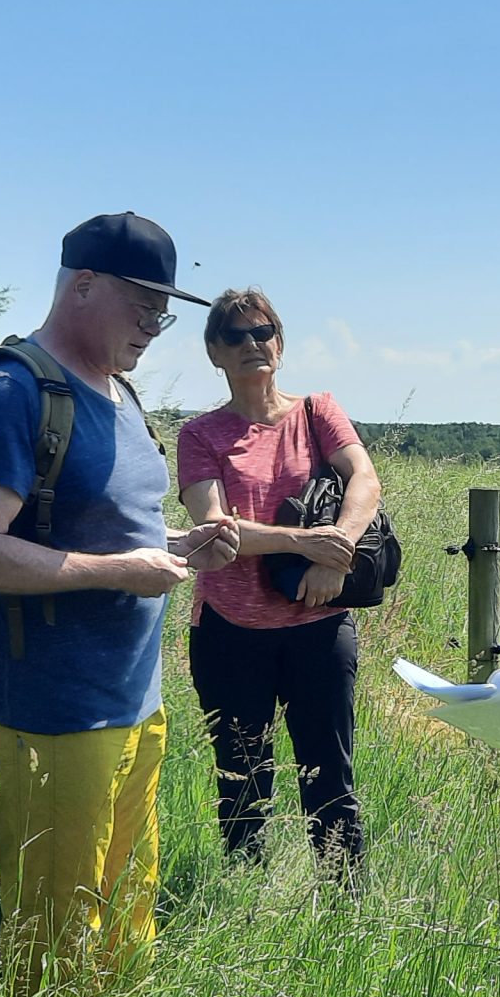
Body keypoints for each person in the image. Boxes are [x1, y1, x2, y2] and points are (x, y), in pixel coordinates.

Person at [0, 213, 237, 997]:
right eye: (142, 305)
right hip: (53, 711)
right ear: (82, 285)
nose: (153, 327)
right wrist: (121, 572)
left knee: (127, 906)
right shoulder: (12, 390)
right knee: (54, 920)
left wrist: (180, 546)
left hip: (135, 704)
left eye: (163, 312)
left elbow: (110, 532)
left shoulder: (120, 393)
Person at [175, 289, 382, 871]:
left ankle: (344, 907)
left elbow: (364, 479)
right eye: (234, 337)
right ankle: (245, 898)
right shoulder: (201, 436)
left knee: (330, 771)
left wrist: (332, 553)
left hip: (319, 626)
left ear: (281, 344)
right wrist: (302, 542)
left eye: (262, 333)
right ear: (214, 352)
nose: (251, 345)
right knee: (241, 775)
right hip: (230, 630)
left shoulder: (318, 412)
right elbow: (214, 529)